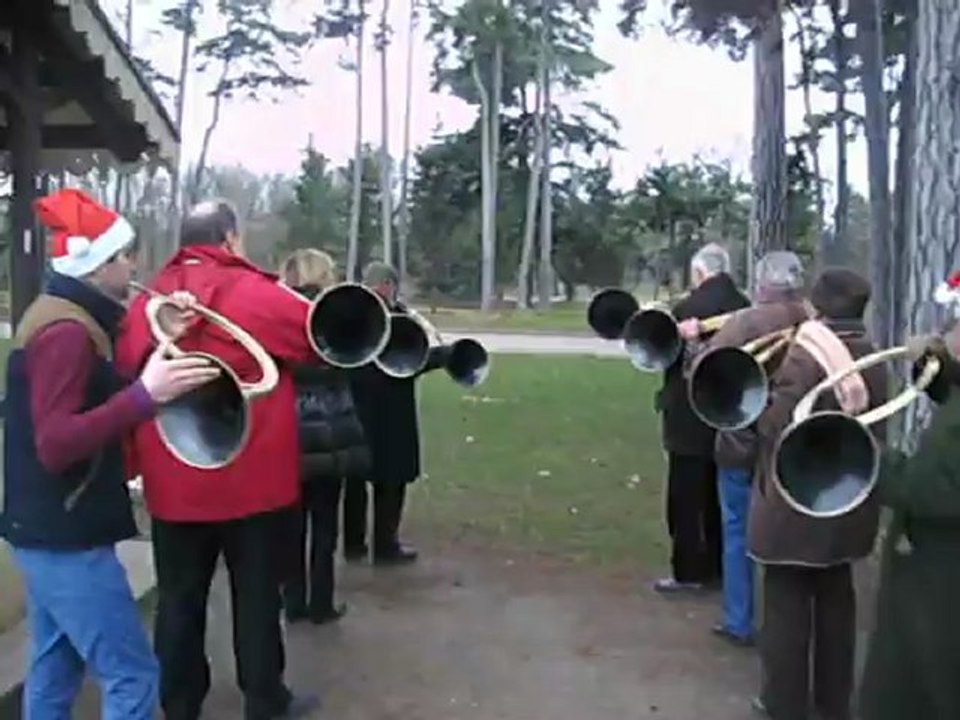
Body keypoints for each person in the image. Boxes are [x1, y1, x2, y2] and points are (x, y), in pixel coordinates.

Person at [0, 189, 219, 718]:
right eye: (124, 255)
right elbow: (56, 443)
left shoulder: (69, 316)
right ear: (97, 266)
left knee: (56, 665)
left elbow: (94, 391)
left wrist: (159, 341)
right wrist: (147, 397)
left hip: (45, 530)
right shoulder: (68, 334)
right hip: (66, 538)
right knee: (133, 675)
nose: (133, 264)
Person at [115, 200, 323, 720]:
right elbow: (321, 342)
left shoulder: (147, 303)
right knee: (256, 596)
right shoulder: (260, 293)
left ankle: (181, 703)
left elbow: (124, 373)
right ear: (230, 238)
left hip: (175, 485)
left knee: (179, 599)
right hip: (254, 483)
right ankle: (264, 698)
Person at [746, 268, 888, 720]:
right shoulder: (874, 357)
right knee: (836, 608)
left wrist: (760, 400)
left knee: (786, 611)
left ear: (817, 305)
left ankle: (783, 704)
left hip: (795, 505)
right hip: (847, 502)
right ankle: (833, 702)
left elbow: (774, 426)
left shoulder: (804, 358)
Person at [858, 275, 960, 720]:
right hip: (934, 578)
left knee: (927, 687)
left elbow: (936, 488)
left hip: (942, 589)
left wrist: (865, 458)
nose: (949, 333)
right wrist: (936, 369)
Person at [696, 250, 809, 647]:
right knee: (790, 533)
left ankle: (739, 619)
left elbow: (706, 372)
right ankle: (787, 619)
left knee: (738, 532)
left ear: (762, 283)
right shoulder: (814, 320)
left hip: (743, 442)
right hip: (796, 444)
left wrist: (696, 345)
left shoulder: (745, 322)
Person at [278, 248, 370, 624]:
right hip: (331, 432)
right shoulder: (338, 313)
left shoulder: (278, 313)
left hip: (290, 431)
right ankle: (322, 603)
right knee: (325, 525)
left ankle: (294, 601)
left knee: (292, 525)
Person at [653, 243, 750, 595]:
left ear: (699, 273)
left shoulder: (688, 308)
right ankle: (721, 567)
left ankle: (688, 570)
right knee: (720, 495)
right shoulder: (744, 307)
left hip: (689, 415)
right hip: (733, 413)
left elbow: (665, 357)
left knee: (686, 497)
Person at [345, 261, 427, 565]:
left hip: (356, 407)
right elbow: (415, 357)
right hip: (391, 411)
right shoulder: (397, 317)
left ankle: (355, 544)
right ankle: (384, 546)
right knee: (390, 480)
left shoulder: (350, 312)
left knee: (357, 479)